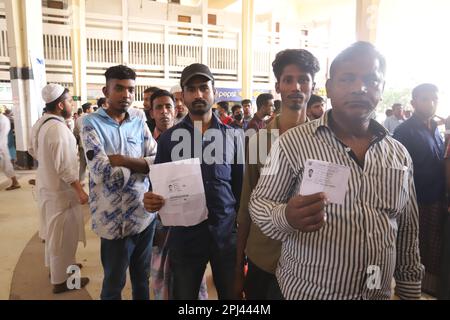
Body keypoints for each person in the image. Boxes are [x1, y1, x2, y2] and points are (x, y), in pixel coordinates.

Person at [249, 41, 424, 300]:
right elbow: (257, 203)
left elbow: (408, 231)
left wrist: (410, 290)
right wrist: (286, 215)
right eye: (348, 79)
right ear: (329, 87)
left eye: (371, 80)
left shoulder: (399, 155)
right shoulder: (289, 143)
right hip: (308, 293)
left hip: (377, 292)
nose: (360, 88)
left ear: (382, 88)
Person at [143, 63, 244, 300]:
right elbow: (157, 189)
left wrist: (241, 234)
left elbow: (240, 189)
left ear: (214, 92)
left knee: (230, 296)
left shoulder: (234, 137)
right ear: (184, 96)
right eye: (191, 89)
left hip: (224, 235)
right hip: (185, 238)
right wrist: (151, 201)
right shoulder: (168, 140)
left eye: (204, 88)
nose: (198, 94)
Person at [234, 48, 320, 300]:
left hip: (310, 261)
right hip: (264, 257)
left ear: (312, 86)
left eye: (303, 79)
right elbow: (246, 206)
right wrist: (238, 268)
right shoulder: (260, 141)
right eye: (288, 80)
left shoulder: (326, 142)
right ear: (278, 86)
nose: (296, 86)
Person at [81, 65, 158, 300]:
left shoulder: (138, 122)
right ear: (107, 90)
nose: (126, 95)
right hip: (112, 222)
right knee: (114, 284)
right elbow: (102, 172)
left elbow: (156, 161)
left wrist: (122, 160)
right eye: (119, 89)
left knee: (142, 280)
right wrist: (140, 165)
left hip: (143, 218)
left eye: (131, 90)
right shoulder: (90, 123)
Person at [148, 89, 209, 300]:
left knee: (189, 282)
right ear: (151, 112)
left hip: (191, 226)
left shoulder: (190, 137)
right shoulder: (148, 136)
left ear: (176, 110)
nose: (164, 112)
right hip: (163, 223)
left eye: (168, 107)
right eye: (158, 107)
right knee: (162, 276)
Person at [29, 83, 89, 293]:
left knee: (54, 236)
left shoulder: (41, 123)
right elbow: (64, 167)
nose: (73, 104)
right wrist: (79, 190)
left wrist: (47, 166)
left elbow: (32, 150)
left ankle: (58, 269)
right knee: (65, 238)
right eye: (71, 100)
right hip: (62, 193)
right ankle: (63, 281)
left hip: (48, 187)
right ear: (61, 105)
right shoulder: (58, 129)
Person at [393, 83, 446, 298]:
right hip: (415, 200)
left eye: (434, 98)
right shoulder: (404, 131)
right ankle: (411, 288)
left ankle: (428, 288)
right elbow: (396, 170)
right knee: (414, 246)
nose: (431, 103)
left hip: (436, 197)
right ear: (414, 103)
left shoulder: (435, 129)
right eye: (425, 99)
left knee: (433, 243)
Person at [73, 102, 94, 183]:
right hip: (91, 146)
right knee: (92, 165)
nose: (92, 110)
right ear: (88, 109)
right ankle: (92, 181)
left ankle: (81, 181)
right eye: (91, 108)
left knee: (82, 165)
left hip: (82, 145)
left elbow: (75, 132)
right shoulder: (92, 118)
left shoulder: (78, 119)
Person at [0, 111, 20, 190]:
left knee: (6, 165)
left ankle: (15, 182)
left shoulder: (3, 120)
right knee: (6, 165)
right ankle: (15, 182)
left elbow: (2, 136)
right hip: (2, 146)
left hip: (1, 146)